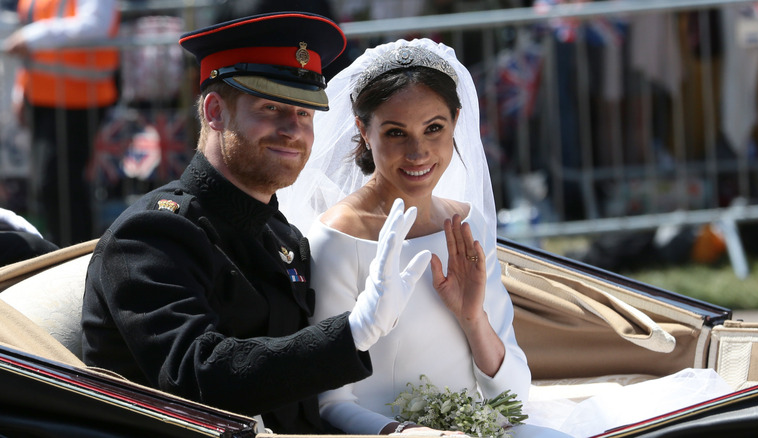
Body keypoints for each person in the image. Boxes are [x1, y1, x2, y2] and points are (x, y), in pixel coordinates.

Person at [81, 13, 434, 435]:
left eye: (305, 114)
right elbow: (198, 378)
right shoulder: (151, 236)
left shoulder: (281, 237)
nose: (293, 130)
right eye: (271, 108)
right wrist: (353, 332)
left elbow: (303, 403)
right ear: (214, 112)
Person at [279, 38, 569, 437]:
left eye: (434, 128)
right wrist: (404, 434)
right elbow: (330, 401)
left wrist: (473, 320)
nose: (418, 153)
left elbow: (514, 398)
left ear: (456, 122)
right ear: (363, 130)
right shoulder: (338, 236)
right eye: (397, 133)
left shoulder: (468, 224)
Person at [2, 0, 120, 246]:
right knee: (50, 188)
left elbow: (95, 24)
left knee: (61, 186)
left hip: (79, 99)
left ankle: (75, 257)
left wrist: (33, 37)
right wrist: (20, 90)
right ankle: (62, 254)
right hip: (42, 98)